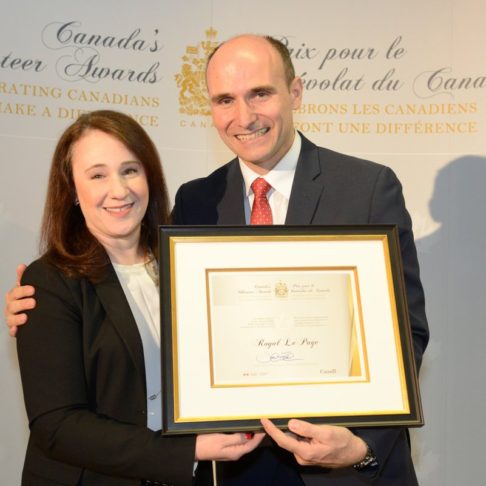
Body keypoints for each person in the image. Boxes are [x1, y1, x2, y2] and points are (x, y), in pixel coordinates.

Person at [6, 35, 429, 485]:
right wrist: (40, 305)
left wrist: (363, 445)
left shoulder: (366, 189)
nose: (243, 117)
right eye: (225, 99)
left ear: (296, 92)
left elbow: (407, 333)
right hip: (237, 468)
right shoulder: (197, 202)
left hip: (344, 468)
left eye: (260, 94)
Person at [10, 110, 264, 486]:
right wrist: (187, 451)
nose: (119, 189)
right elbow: (57, 425)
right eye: (97, 175)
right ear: (72, 191)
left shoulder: (187, 264)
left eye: (130, 170)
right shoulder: (49, 281)